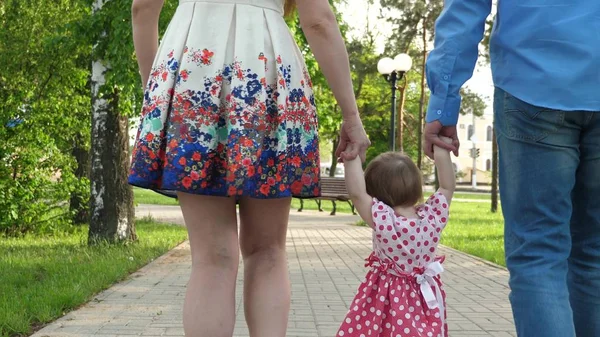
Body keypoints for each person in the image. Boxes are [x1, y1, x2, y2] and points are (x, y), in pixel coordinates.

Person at [128, 0, 370, 336]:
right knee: (267, 251)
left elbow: (143, 9)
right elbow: (319, 22)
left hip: (192, 72)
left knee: (212, 257)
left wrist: (155, 93)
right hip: (267, 71)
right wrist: (351, 117)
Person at [423, 1, 600, 336]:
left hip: (534, 80)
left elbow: (465, 7)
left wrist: (443, 102)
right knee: (594, 254)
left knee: (538, 254)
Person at [336, 138, 455, 337]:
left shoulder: (385, 221)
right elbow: (447, 187)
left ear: (376, 193)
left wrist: (352, 156)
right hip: (424, 295)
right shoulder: (432, 218)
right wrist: (441, 150)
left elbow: (357, 194)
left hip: (386, 296)